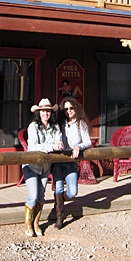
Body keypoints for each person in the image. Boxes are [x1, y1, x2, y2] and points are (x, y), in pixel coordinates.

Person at [23, 98, 63, 237]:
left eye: (48, 111)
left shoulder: (55, 127)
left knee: (41, 196)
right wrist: (51, 146)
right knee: (33, 196)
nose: (46, 114)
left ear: (51, 113)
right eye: (43, 111)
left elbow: (59, 141)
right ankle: (28, 224)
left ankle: (36, 223)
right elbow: (33, 147)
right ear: (38, 113)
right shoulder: (33, 126)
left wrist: (57, 145)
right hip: (31, 165)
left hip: (45, 166)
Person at [53, 96, 92, 229]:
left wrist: (78, 147)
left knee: (72, 192)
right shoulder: (60, 123)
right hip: (58, 159)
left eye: (71, 108)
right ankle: (60, 216)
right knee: (58, 187)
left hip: (71, 160)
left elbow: (88, 141)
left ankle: (60, 200)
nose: (68, 111)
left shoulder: (81, 123)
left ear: (76, 108)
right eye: (66, 109)